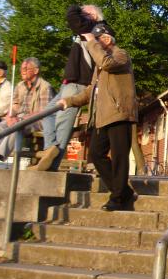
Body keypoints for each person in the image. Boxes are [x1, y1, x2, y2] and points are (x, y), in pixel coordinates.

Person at [59, 24, 138, 211]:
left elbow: (107, 63)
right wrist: (68, 101)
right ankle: (124, 192)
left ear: (108, 39)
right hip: (102, 117)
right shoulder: (99, 68)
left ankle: (118, 198)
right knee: (95, 153)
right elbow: (89, 92)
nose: (92, 45)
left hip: (119, 114)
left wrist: (92, 43)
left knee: (119, 157)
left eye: (98, 40)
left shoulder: (121, 55)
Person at [30, 4, 113, 171]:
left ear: (94, 16)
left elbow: (72, 18)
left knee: (62, 124)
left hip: (78, 84)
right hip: (69, 83)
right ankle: (49, 150)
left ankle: (50, 166)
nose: (81, 15)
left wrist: (77, 7)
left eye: (85, 13)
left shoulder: (97, 28)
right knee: (48, 115)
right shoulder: (90, 27)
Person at [0, 58, 54, 166]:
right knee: (0, 126)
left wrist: (22, 119)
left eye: (26, 68)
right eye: (21, 68)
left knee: (17, 127)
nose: (22, 71)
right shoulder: (20, 85)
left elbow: (44, 112)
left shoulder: (45, 87)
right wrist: (10, 115)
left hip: (37, 120)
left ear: (36, 71)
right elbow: (15, 104)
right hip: (20, 118)